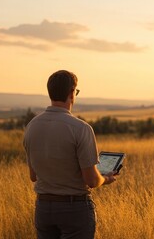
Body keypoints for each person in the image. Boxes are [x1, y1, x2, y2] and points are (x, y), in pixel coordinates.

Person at [23, 70, 117, 239]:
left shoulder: (32, 126)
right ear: (72, 93)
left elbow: (33, 176)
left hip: (43, 209)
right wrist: (106, 178)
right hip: (74, 210)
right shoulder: (81, 128)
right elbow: (92, 181)